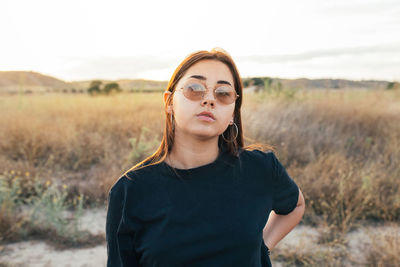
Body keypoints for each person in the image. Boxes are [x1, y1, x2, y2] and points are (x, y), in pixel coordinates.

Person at [106, 47, 305, 267]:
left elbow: (295, 206)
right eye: (194, 88)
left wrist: (260, 248)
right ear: (169, 102)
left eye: (223, 93)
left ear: (232, 112)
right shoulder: (130, 191)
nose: (209, 99)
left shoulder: (261, 168)